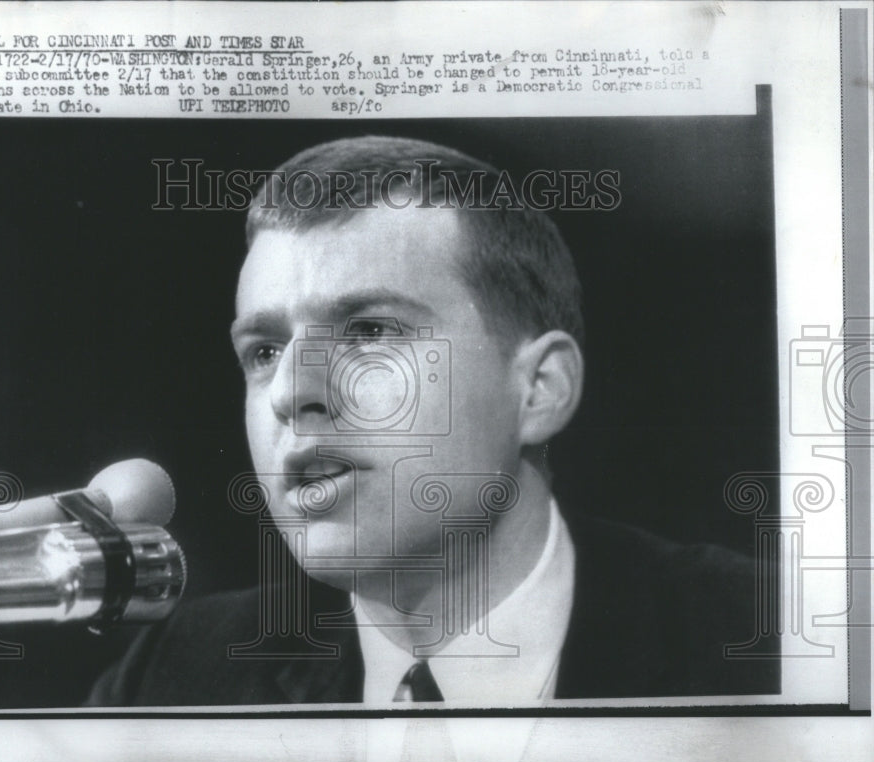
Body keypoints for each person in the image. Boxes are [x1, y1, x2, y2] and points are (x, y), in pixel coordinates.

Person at [88, 135, 778, 707]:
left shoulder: (773, 639)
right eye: (264, 350)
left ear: (539, 388)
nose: (291, 391)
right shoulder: (171, 678)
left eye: (369, 332)